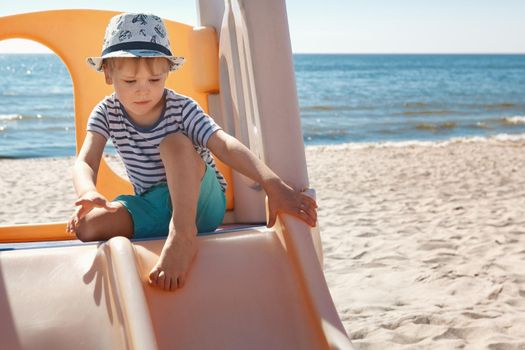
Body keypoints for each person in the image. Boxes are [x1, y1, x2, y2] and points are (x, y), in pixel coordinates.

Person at [67, 13, 317, 292]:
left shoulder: (181, 108)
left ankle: (183, 234)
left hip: (201, 201)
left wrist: (273, 185)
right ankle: (171, 226)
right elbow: (85, 161)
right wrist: (87, 192)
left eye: (155, 79)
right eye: (129, 82)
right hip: (154, 204)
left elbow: (224, 145)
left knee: (173, 142)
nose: (143, 90)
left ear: (167, 72)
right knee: (87, 227)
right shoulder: (106, 112)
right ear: (108, 74)